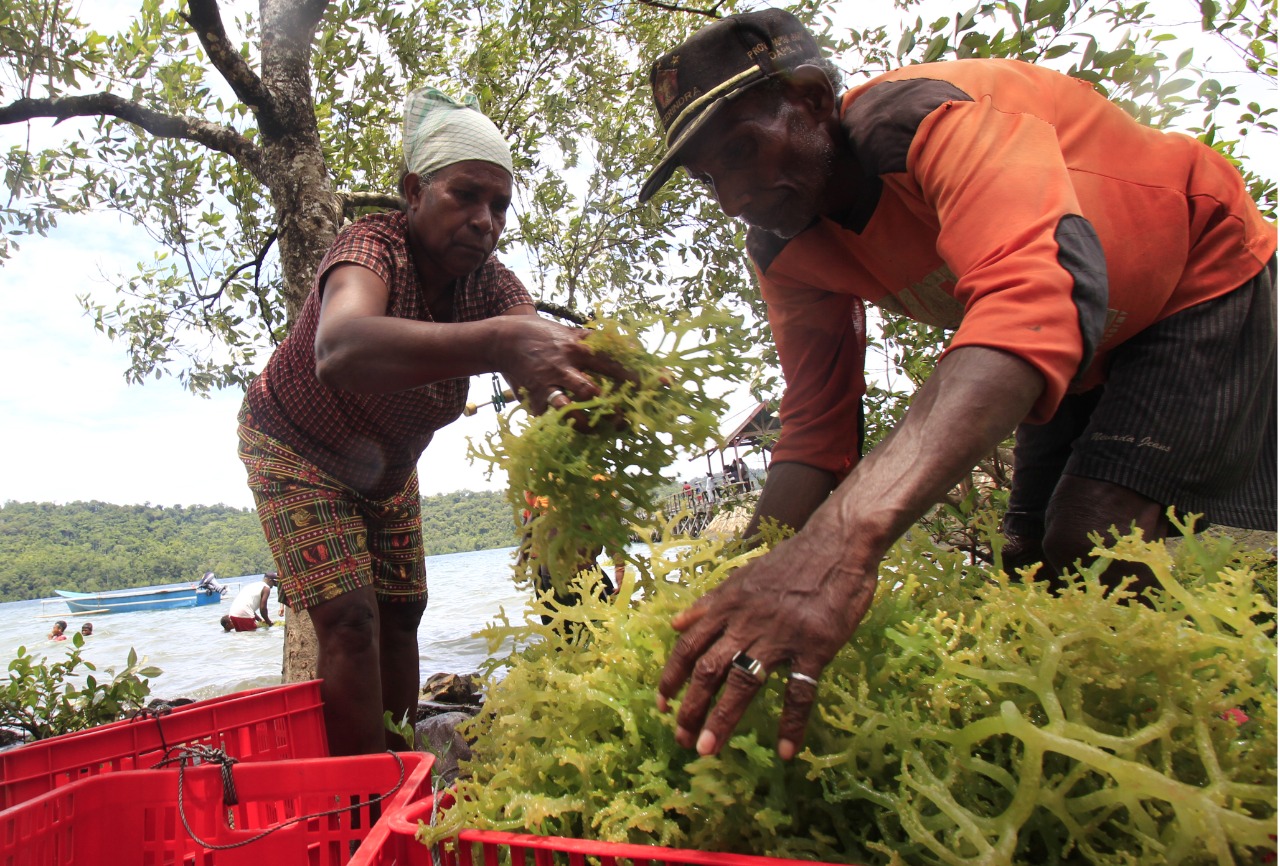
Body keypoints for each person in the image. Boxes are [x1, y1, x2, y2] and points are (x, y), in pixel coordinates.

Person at [638, 9, 1276, 761]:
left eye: (744, 149)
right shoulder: (785, 242)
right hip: (1076, 344)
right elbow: (817, 425)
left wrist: (837, 546)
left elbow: (1033, 296)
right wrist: (740, 583)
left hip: (1197, 277)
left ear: (812, 101)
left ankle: (1219, 750)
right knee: (1033, 561)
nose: (734, 195)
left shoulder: (930, 122)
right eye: (712, 177)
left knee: (1090, 536)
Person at [237, 85, 631, 756]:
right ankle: (357, 810)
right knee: (352, 623)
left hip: (387, 470)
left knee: (401, 616)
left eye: (499, 205)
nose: (485, 220)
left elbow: (545, 380)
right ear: (414, 191)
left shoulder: (493, 288)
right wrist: (500, 343)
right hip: (294, 448)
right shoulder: (371, 248)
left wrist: (601, 398)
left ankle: (399, 776)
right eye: (466, 196)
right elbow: (341, 348)